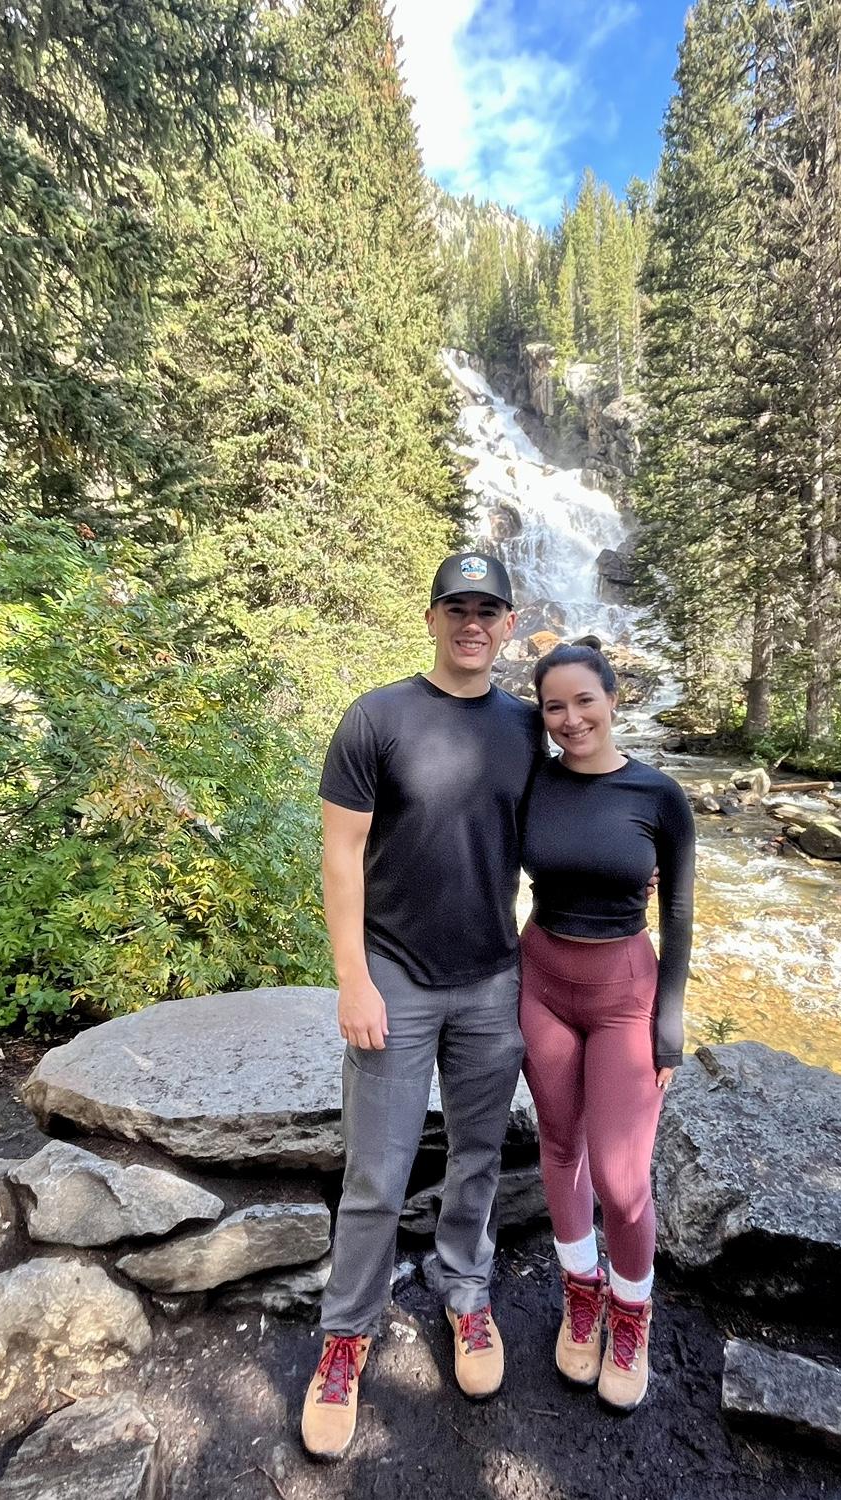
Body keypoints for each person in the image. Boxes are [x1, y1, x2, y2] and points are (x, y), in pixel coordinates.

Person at [300, 552, 542, 1462]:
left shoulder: (527, 728)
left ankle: (466, 1293)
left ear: (509, 624)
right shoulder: (376, 718)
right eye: (457, 607)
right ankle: (347, 1334)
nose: (472, 622)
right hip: (395, 975)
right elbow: (339, 856)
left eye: (488, 608)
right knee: (377, 1168)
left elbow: (562, 827)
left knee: (478, 1152)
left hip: (492, 977)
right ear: (432, 617)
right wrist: (353, 978)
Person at [518, 640, 696, 1412]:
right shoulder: (533, 784)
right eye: (554, 706)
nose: (570, 719)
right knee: (559, 1145)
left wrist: (672, 1017)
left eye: (583, 701)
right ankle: (581, 1293)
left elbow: (681, 911)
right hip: (542, 982)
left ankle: (632, 1313)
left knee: (623, 1180)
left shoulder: (660, 796)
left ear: (613, 698)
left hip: (625, 992)